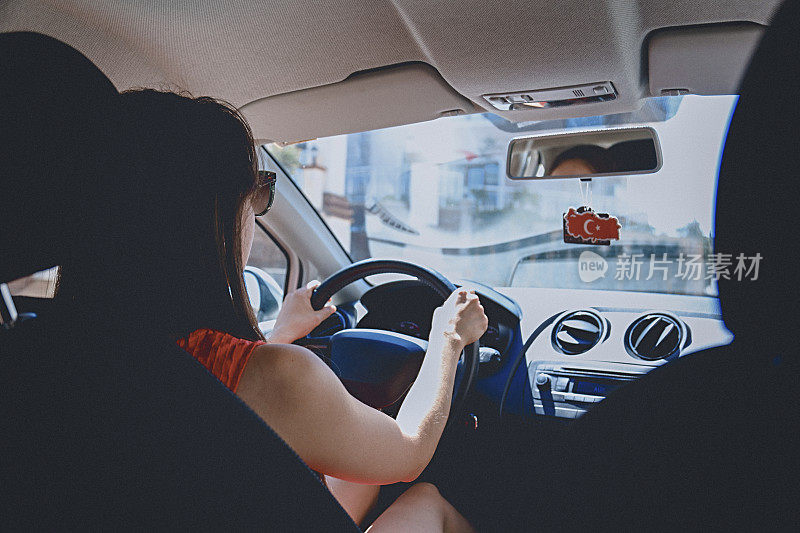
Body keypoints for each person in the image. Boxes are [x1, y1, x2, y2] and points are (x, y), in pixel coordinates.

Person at [57, 88, 486, 531]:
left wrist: (276, 337)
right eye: (257, 191)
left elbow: (208, 398)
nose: (255, 211)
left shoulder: (44, 350)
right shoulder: (279, 378)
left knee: (356, 479)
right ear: (213, 214)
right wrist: (448, 340)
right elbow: (409, 450)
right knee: (427, 501)